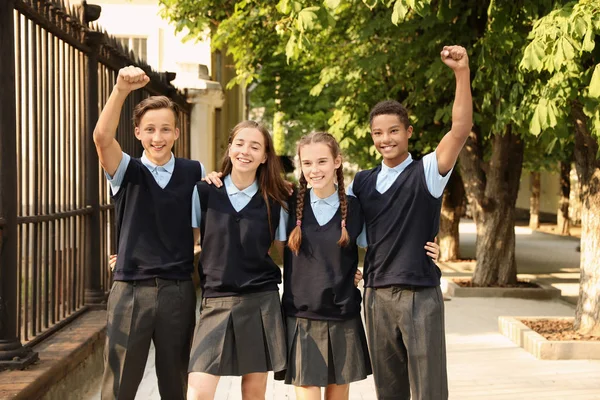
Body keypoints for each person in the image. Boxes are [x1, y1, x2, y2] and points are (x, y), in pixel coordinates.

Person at [348, 45, 472, 400]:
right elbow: (337, 226)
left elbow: (460, 129)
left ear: (409, 131)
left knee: (429, 389)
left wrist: (461, 73)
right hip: (375, 296)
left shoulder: (428, 171)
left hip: (419, 294)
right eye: (377, 133)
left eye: (393, 131)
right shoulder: (362, 182)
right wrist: (349, 271)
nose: (385, 139)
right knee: (389, 391)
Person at [277, 132, 439, 400]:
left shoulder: (354, 207)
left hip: (343, 315)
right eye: (307, 163)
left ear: (337, 162)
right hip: (301, 316)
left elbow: (390, 238)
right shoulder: (289, 204)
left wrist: (432, 247)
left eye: (322, 161)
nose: (314, 170)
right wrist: (217, 178)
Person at [93, 66, 205, 400]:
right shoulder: (126, 170)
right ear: (138, 133)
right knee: (119, 386)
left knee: (175, 383)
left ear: (176, 134)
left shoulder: (193, 171)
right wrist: (121, 91)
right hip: (130, 292)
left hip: (178, 291)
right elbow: (101, 137)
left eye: (166, 129)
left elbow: (207, 225)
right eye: (151, 129)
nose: (158, 137)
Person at [187, 121, 289, 400]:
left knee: (253, 393)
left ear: (265, 156)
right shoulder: (204, 192)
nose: (246, 151)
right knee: (198, 391)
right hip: (215, 300)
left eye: (255, 146)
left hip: (260, 301)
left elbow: (293, 253)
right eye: (240, 143)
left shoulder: (276, 202)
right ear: (230, 147)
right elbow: (181, 241)